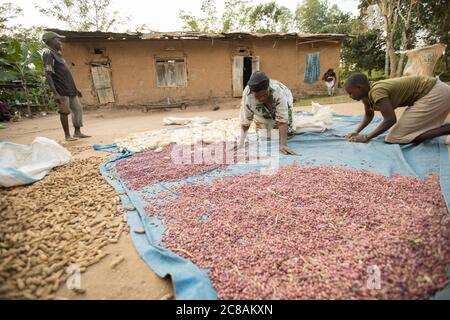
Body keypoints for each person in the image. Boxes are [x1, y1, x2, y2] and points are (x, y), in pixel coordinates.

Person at [344, 72, 450, 144]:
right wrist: (356, 131)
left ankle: (447, 129)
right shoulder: (365, 96)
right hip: (432, 92)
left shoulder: (376, 91)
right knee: (405, 132)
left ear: (359, 87)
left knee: (396, 137)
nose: (350, 96)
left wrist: (366, 137)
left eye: (350, 93)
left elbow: (390, 120)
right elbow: (369, 115)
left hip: (434, 92)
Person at [42, 31, 91, 141]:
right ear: (50, 41)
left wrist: (75, 89)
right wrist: (55, 93)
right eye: (57, 39)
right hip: (61, 90)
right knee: (64, 111)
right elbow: (48, 74)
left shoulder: (59, 55)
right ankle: (67, 135)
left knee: (78, 109)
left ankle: (77, 132)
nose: (60, 42)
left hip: (70, 89)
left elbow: (66, 74)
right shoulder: (48, 53)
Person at [238, 70, 297, 155]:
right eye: (257, 97)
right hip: (262, 111)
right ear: (252, 93)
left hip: (285, 98)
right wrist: (241, 142)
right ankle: (268, 119)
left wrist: (283, 145)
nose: (261, 99)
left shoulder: (279, 93)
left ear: (268, 89)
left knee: (289, 132)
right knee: (265, 136)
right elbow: (245, 121)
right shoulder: (248, 97)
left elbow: (282, 120)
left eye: (264, 95)